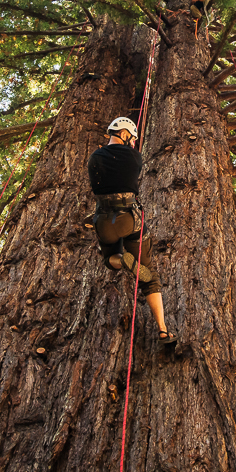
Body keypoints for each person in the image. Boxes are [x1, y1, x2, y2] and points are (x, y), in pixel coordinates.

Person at [87, 116, 177, 347]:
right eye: (133, 138)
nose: (134, 143)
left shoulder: (94, 157)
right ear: (125, 133)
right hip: (129, 217)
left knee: (109, 258)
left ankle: (122, 261)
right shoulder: (134, 157)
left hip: (104, 220)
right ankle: (163, 330)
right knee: (148, 275)